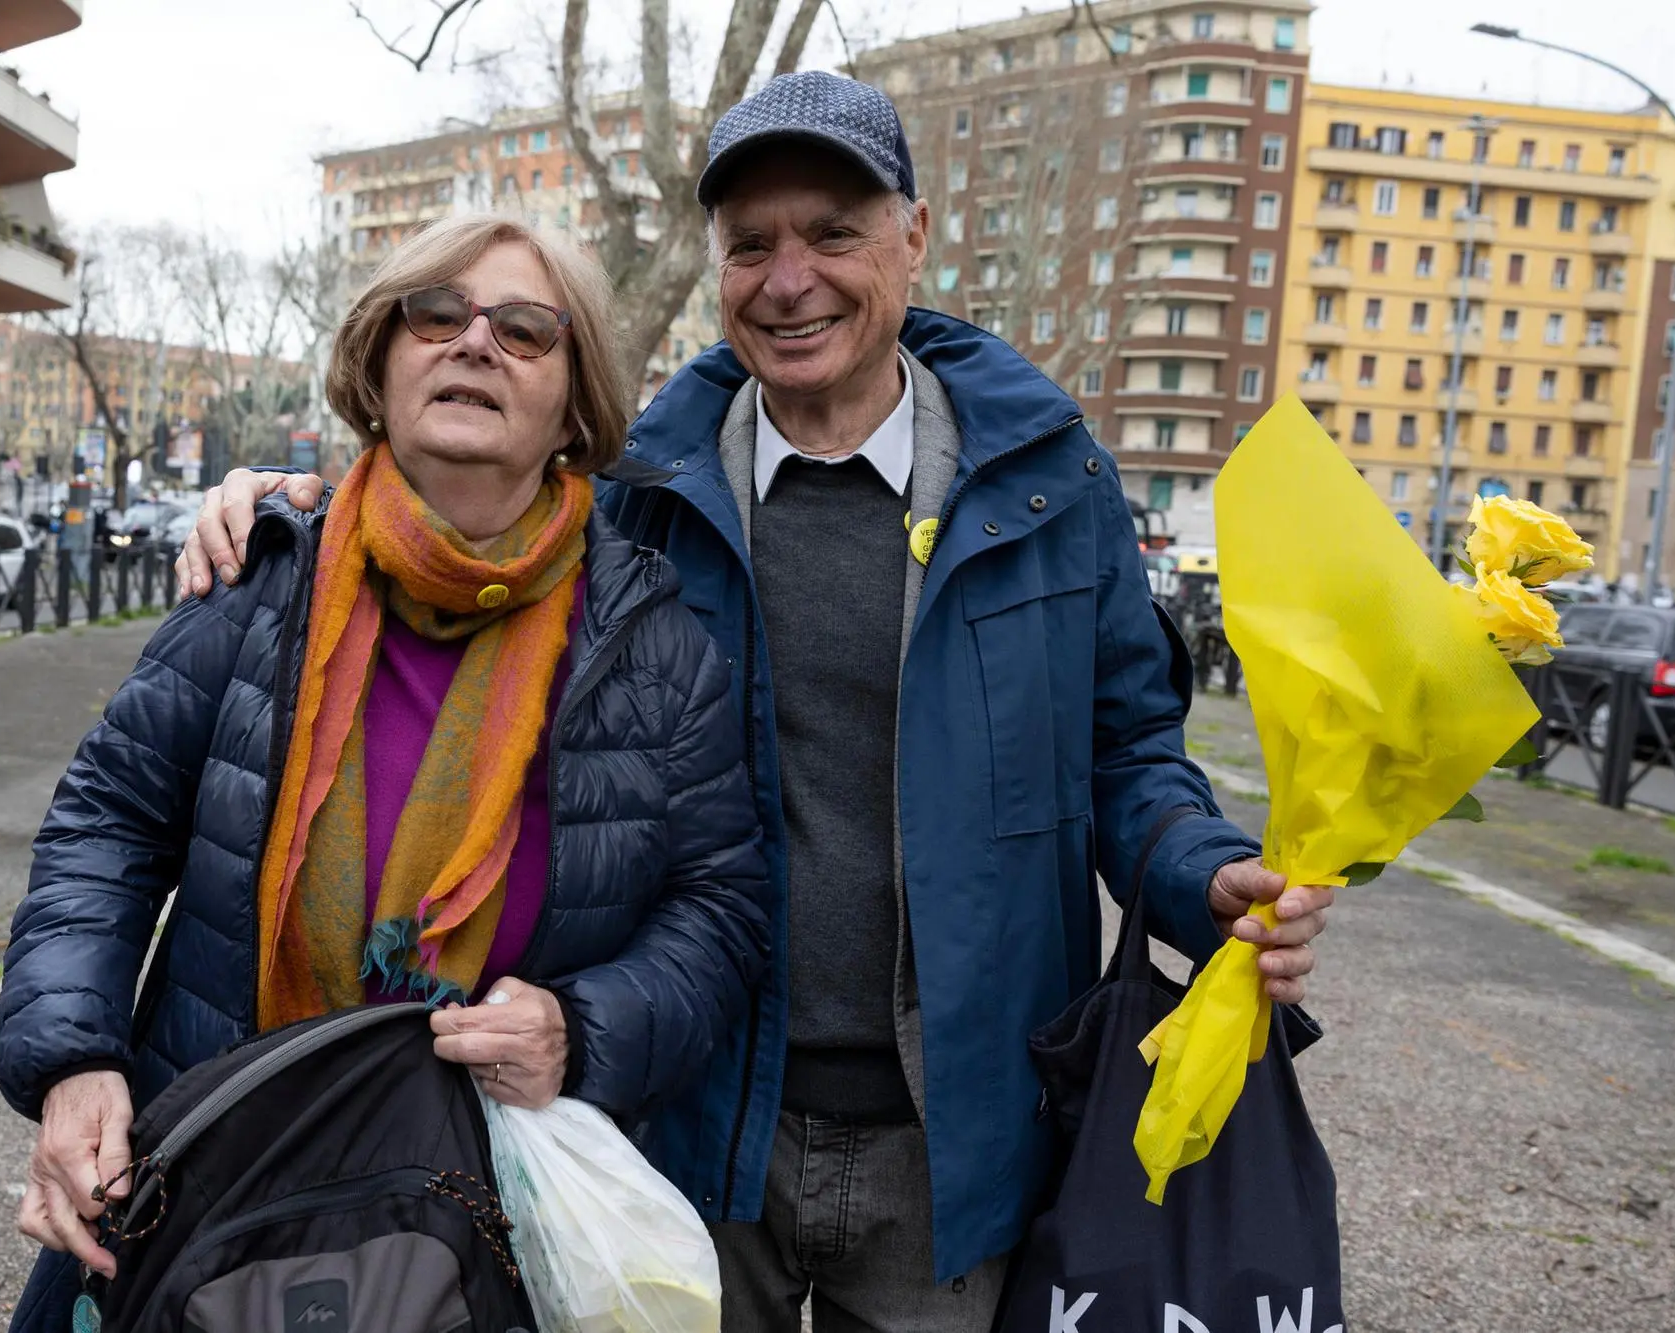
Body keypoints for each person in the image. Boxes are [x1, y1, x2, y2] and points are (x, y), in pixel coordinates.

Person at [180, 72, 1335, 1333]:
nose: (790, 282)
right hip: (685, 1117)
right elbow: (457, 510)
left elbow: (1126, 752)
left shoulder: (1049, 485)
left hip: (954, 1134)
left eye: (833, 233)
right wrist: (292, 507)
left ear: (914, 236)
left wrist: (1198, 868)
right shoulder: (635, 493)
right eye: (750, 246)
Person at [0, 215, 771, 1333]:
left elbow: (723, 907)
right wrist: (75, 1060)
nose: (473, 344)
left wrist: (584, 1030)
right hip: (211, 1175)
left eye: (524, 329)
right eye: (437, 313)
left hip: (479, 1225)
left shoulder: (652, 642)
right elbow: (105, 826)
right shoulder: (257, 577)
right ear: (380, 356)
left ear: (574, 402)